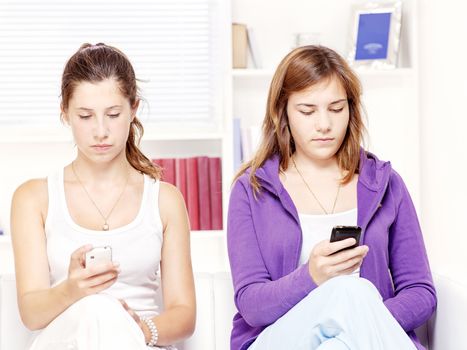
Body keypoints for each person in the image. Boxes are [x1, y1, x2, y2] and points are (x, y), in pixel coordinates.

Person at [227, 45, 436, 350]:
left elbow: (420, 292)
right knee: (349, 292)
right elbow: (252, 305)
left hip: (362, 341)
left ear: (351, 109)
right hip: (280, 339)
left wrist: (357, 319)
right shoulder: (252, 189)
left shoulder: (384, 183)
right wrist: (311, 276)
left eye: (336, 108)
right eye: (307, 111)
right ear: (281, 111)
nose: (324, 124)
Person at [10, 43, 196, 350]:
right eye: (85, 116)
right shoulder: (33, 199)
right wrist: (72, 290)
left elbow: (184, 315)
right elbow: (31, 313)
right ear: (65, 114)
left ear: (133, 109)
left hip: (142, 342)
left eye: (112, 114)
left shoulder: (165, 200)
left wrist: (140, 329)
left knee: (105, 313)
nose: (100, 131)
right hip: (66, 341)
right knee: (96, 308)